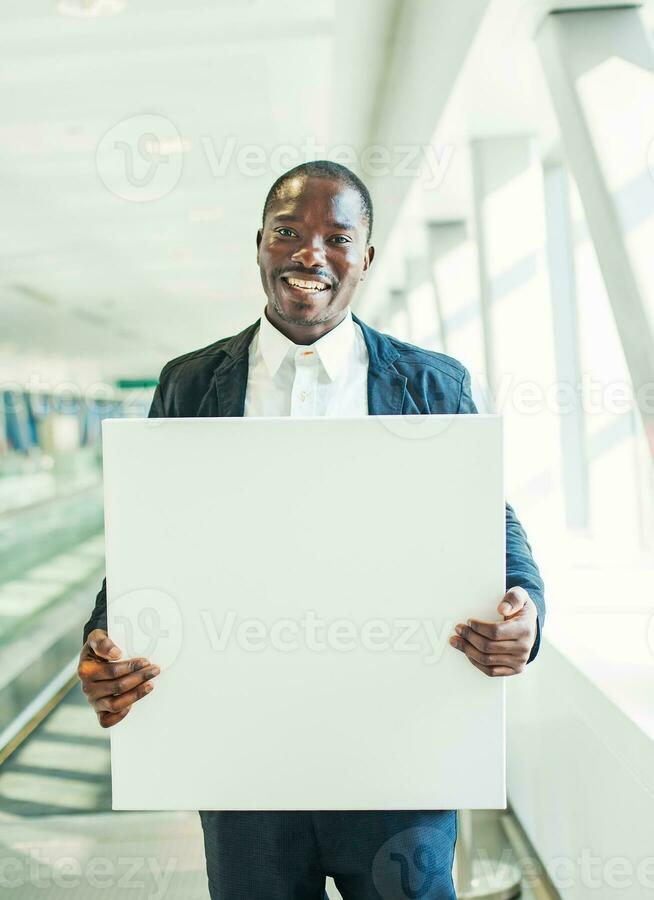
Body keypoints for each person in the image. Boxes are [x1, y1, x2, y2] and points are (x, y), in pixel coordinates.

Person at [78, 160, 545, 900]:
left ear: (366, 256)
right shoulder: (192, 384)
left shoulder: (432, 384)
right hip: (246, 765)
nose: (309, 253)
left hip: (399, 756)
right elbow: (151, 533)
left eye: (336, 236)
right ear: (259, 245)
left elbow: (491, 520)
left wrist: (526, 608)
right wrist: (105, 640)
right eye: (287, 233)